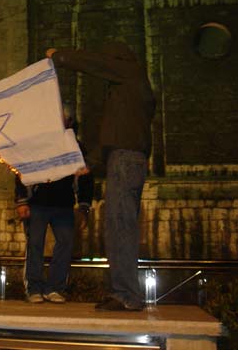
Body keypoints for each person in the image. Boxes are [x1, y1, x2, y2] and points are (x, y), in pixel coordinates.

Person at [46, 42, 156, 311]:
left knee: (119, 227)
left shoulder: (130, 73)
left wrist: (59, 57)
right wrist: (91, 163)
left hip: (125, 161)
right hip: (125, 159)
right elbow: (116, 131)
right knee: (119, 227)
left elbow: (94, 63)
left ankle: (126, 295)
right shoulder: (129, 94)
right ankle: (124, 292)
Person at [15, 106, 94, 304]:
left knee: (65, 244)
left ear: (68, 122)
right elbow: (21, 170)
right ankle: (34, 288)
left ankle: (55, 288)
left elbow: (86, 177)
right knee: (35, 245)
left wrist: (84, 206)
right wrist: (22, 201)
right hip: (38, 203)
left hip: (64, 204)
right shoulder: (36, 144)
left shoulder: (76, 147)